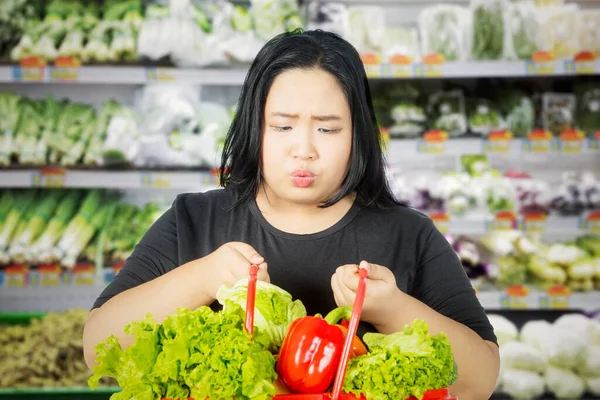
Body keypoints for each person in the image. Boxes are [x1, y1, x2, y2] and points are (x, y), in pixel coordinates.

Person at [83, 29, 500, 400]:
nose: (305, 149)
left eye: (328, 128)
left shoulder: (410, 234)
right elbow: (97, 347)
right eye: (283, 126)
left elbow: (480, 381)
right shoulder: (192, 219)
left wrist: (393, 308)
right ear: (254, 128)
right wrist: (202, 277)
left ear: (359, 134)